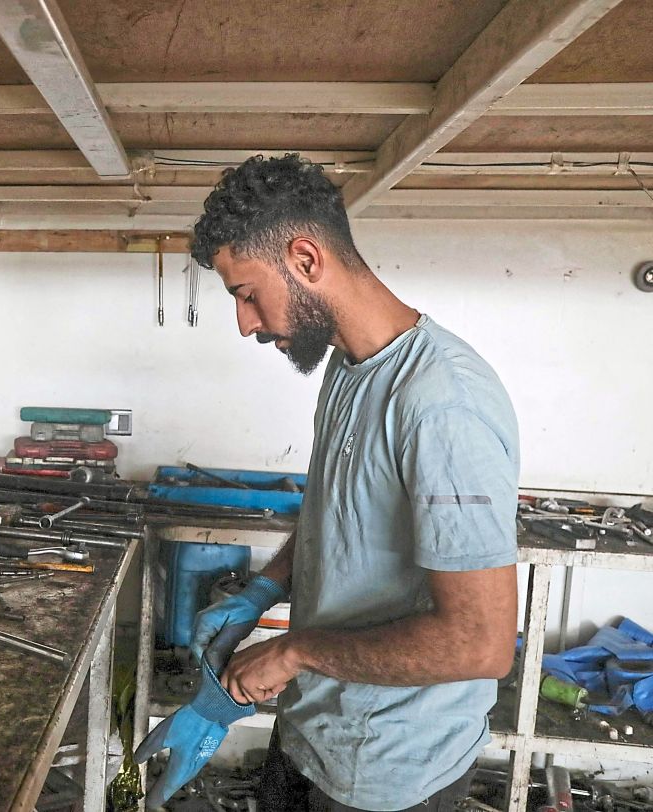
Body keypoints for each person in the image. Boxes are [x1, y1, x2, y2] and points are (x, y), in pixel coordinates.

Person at [140, 154, 520, 811]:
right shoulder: (348, 369)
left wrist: (290, 654)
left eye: (247, 293)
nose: (246, 324)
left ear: (306, 260)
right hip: (314, 733)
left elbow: (480, 645)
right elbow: (334, 515)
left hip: (391, 775)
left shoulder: (442, 404)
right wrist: (263, 589)